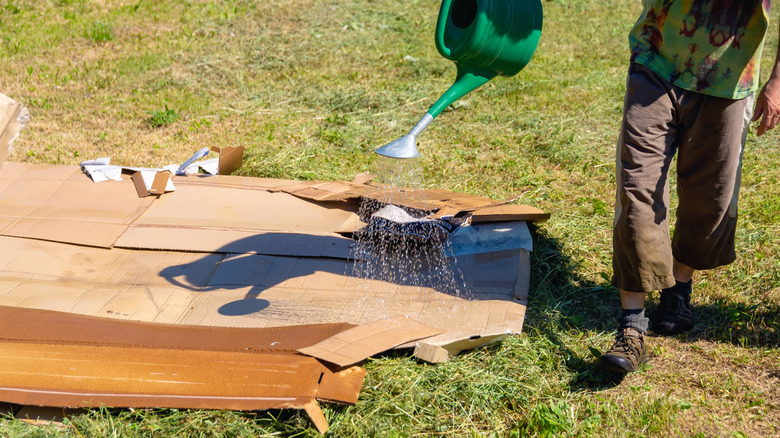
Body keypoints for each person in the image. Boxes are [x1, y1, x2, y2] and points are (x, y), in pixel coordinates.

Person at [598, 0, 780, 373]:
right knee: (637, 191)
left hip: (729, 80)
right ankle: (632, 325)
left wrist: (777, 81)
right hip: (656, 61)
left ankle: (678, 287)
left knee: (711, 203)